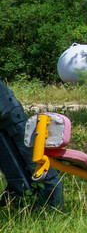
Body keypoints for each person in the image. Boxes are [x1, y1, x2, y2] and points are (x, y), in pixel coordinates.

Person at [0, 79, 63, 208]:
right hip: (6, 121)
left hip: (11, 119)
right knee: (15, 174)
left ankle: (53, 210)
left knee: (39, 168)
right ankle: (22, 205)